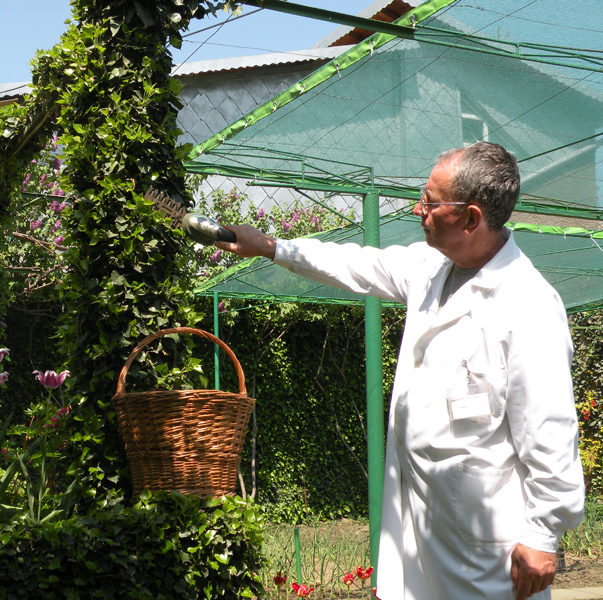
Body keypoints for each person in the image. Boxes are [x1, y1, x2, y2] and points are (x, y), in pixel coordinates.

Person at [215, 142, 585, 600]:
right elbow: (355, 264)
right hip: (419, 520)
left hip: (485, 543)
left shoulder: (528, 305)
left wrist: (544, 534)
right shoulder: (431, 267)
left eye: (429, 202)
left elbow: (549, 429)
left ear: (471, 218)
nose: (417, 210)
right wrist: (272, 247)